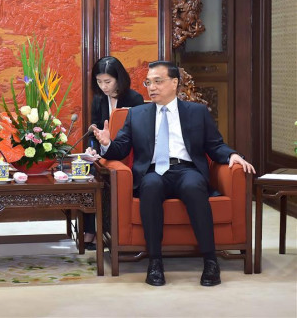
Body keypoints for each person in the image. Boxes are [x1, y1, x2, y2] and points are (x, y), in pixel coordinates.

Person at [92, 60, 256, 286]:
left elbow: (214, 144)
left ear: (174, 83)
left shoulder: (197, 112)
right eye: (148, 82)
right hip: (152, 171)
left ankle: (210, 261)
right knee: (150, 187)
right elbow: (120, 149)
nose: (152, 87)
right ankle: (155, 263)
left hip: (186, 168)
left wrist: (232, 155)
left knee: (194, 186)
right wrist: (107, 143)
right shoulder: (137, 114)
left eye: (158, 82)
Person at [84, 56, 144, 250]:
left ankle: (106, 230)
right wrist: (92, 147)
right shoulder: (99, 99)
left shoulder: (134, 99)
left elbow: (139, 134)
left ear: (119, 79)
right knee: (87, 175)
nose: (103, 86)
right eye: (99, 82)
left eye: (107, 82)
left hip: (126, 152)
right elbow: (94, 128)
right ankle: (90, 230)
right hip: (102, 152)